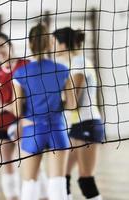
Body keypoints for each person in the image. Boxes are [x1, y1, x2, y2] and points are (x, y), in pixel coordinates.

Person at [12, 23, 77, 200]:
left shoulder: (20, 73)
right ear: (49, 43)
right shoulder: (63, 70)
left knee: (29, 185)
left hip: (33, 130)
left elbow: (17, 110)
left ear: (29, 44)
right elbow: (72, 105)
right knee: (58, 185)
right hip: (57, 128)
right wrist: (54, 103)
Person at [52, 27, 105, 200]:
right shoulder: (71, 64)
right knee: (62, 176)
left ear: (62, 44)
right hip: (76, 126)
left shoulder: (79, 63)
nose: (51, 48)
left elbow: (73, 102)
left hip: (87, 124)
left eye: (53, 43)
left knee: (85, 179)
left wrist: (46, 104)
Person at [0, 32, 28, 200]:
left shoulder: (25, 65)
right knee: (6, 164)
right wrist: (12, 106)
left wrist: (18, 110)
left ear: (10, 46)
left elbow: (32, 96)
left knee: (29, 164)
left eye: (1, 45)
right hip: (2, 123)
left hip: (24, 121)